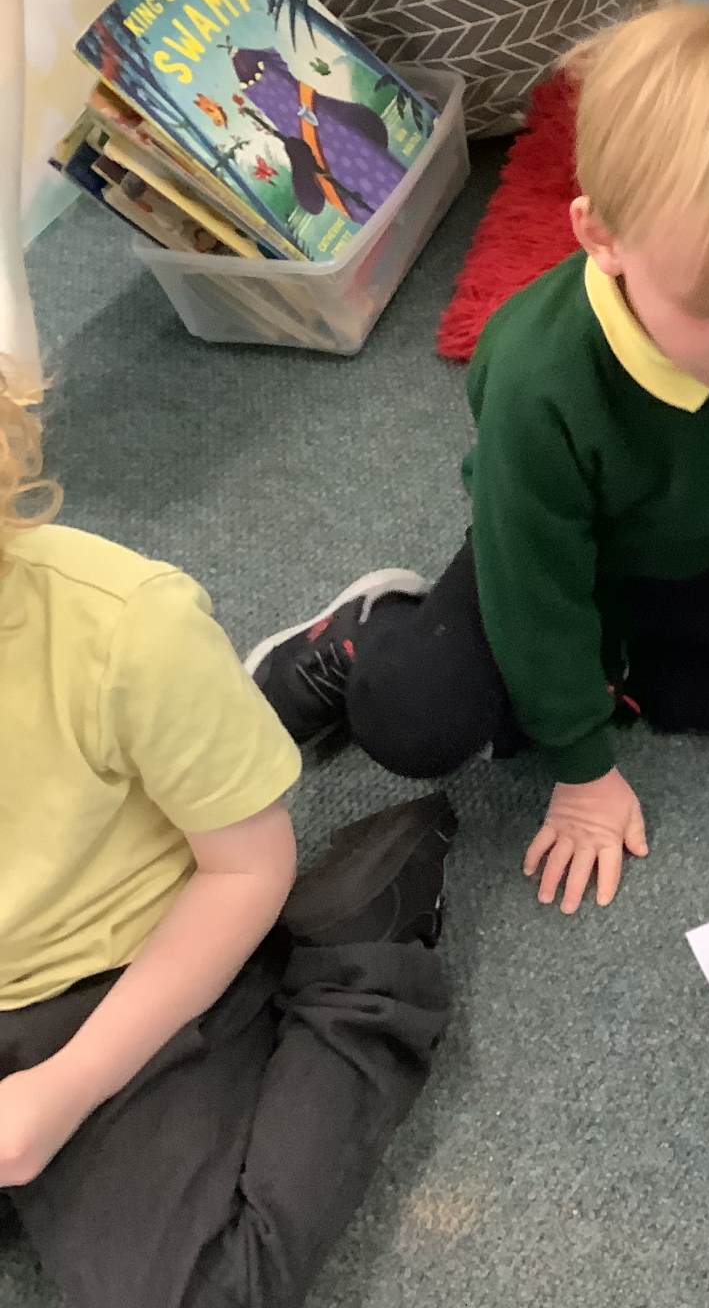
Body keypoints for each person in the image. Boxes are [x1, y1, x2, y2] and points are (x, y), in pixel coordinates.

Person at [248, 5, 709, 913]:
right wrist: (583, 770)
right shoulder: (540, 376)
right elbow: (536, 581)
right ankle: (368, 628)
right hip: (559, 561)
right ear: (601, 237)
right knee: (410, 722)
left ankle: (633, 677)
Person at [0, 364, 453, 1308]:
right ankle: (256, 715)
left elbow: (243, 871)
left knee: (209, 1293)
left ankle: (357, 960)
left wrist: (70, 1083)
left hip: (124, 962)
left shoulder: (122, 624)